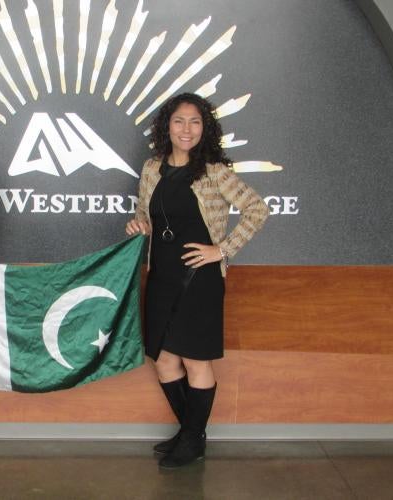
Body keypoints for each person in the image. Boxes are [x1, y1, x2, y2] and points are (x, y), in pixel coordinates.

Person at [126, 93, 269, 468]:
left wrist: (221, 250)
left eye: (195, 122)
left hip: (199, 279)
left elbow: (257, 208)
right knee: (163, 361)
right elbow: (144, 211)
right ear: (166, 126)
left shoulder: (214, 171)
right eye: (179, 121)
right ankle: (192, 432)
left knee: (195, 360)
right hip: (161, 276)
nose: (186, 129)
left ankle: (191, 439)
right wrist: (140, 223)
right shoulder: (151, 168)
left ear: (205, 129)